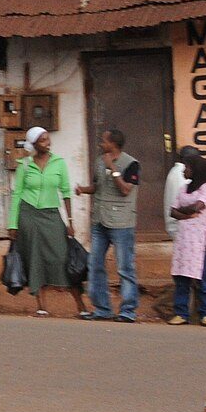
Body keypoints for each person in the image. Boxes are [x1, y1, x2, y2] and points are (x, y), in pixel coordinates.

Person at [7, 127, 84, 319]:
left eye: (48, 139)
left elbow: (65, 193)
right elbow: (17, 195)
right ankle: (41, 306)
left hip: (51, 215)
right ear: (33, 145)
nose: (47, 143)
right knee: (35, 259)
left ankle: (81, 305)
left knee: (62, 258)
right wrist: (13, 223)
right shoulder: (24, 165)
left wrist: (70, 221)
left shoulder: (59, 163)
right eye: (42, 140)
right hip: (28, 215)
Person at [75, 127, 141, 322]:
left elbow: (126, 190)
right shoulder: (98, 161)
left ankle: (128, 311)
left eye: (104, 141)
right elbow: (98, 186)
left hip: (122, 222)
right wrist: (83, 190)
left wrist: (113, 168)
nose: (101, 143)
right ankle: (102, 308)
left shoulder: (131, 164)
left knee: (125, 267)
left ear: (113, 143)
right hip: (100, 221)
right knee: (95, 264)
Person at [169, 149, 206, 326]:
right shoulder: (183, 189)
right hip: (184, 241)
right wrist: (186, 214)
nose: (184, 171)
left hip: (200, 241)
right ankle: (181, 313)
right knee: (182, 278)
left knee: (202, 278)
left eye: (187, 167)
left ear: (196, 169)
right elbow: (172, 211)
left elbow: (198, 206)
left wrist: (184, 211)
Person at [165, 147, 195, 242]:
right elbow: (185, 203)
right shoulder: (182, 174)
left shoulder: (174, 171)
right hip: (179, 226)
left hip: (175, 225)